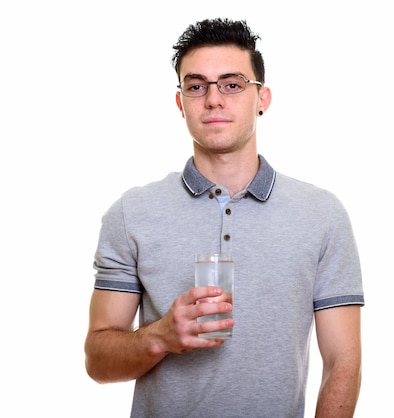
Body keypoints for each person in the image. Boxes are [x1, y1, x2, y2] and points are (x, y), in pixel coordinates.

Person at [84, 18, 365, 418]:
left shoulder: (322, 215)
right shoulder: (131, 214)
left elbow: (342, 362)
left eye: (232, 84)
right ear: (181, 103)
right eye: (196, 86)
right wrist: (161, 337)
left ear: (262, 98)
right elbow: (98, 361)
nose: (213, 99)